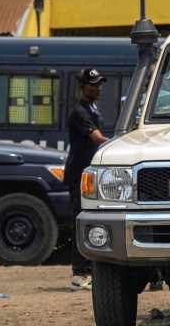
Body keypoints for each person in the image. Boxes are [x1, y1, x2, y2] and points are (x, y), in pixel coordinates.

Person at [63, 68, 111, 291]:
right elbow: (97, 138)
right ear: (83, 86)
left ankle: (89, 271)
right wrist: (119, 144)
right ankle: (79, 275)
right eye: (93, 84)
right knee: (79, 224)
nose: (98, 87)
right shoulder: (79, 111)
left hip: (89, 175)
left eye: (100, 83)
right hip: (79, 175)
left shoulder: (92, 109)